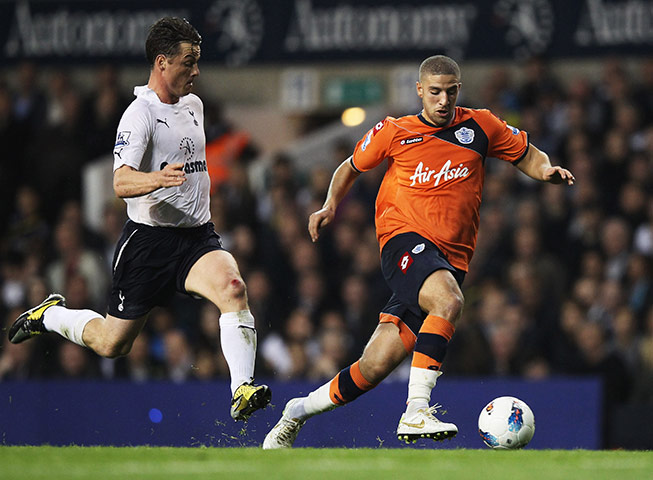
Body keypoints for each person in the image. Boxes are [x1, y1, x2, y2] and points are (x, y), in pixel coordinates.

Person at [263, 55, 574, 449]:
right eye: (435, 92)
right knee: (448, 301)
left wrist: (545, 170)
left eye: (451, 91)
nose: (443, 100)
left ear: (459, 89)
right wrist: (329, 205)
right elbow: (349, 167)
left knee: (373, 367)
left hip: (448, 260)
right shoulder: (395, 131)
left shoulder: (481, 125)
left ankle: (296, 413)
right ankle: (416, 411)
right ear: (419, 91)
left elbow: (527, 153)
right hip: (403, 241)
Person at [8, 17, 270, 421]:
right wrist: (157, 179)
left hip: (196, 238)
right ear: (162, 63)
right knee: (113, 343)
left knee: (234, 288)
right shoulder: (138, 115)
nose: (196, 71)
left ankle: (240, 390)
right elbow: (120, 182)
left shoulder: (194, 105)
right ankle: (52, 315)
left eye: (197, 61)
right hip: (148, 243)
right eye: (188, 62)